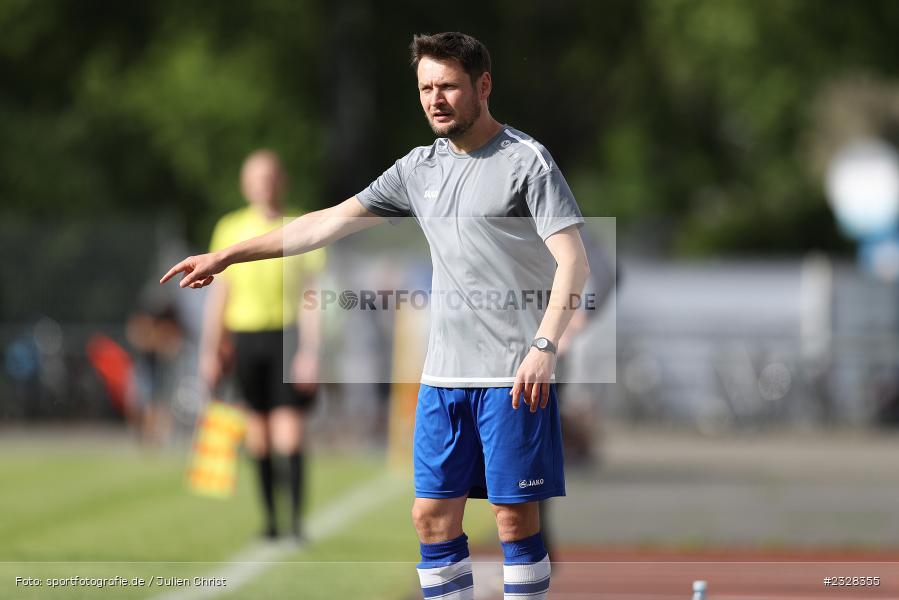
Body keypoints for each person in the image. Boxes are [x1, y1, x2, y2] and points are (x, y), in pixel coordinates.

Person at [162, 32, 589, 600]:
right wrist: (229, 255)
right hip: (442, 381)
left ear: (483, 86)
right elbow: (324, 224)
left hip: (513, 379)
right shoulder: (417, 169)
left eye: (449, 87)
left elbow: (574, 262)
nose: (435, 99)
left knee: (513, 522)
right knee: (431, 518)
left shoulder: (525, 162)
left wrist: (543, 347)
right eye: (425, 88)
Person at [198, 150, 324, 541]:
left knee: (290, 432)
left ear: (281, 180)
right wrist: (210, 349)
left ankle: (296, 523)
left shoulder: (302, 225)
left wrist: (309, 351)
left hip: (286, 336)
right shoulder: (230, 228)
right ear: (245, 183)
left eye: (270, 176)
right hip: (245, 338)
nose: (264, 184)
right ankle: (270, 522)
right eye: (256, 177)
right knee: (259, 433)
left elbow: (312, 295)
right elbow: (219, 296)